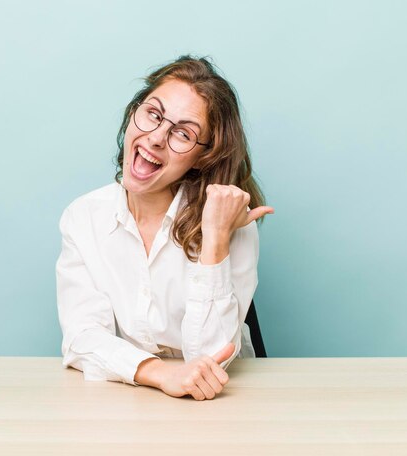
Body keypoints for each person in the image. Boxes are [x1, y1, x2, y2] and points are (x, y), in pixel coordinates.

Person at [56, 55, 274, 401]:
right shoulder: (83, 218)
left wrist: (215, 239)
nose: (156, 138)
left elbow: (211, 358)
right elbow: (82, 337)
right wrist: (158, 374)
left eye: (183, 133)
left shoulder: (231, 223)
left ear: (204, 156)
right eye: (153, 114)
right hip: (136, 397)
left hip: (226, 405)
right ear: (133, 113)